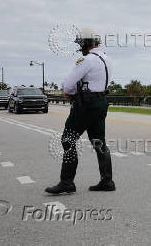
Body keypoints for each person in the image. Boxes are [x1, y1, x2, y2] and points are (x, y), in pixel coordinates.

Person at [45, 28, 115, 194]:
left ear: (86, 44)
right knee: (99, 142)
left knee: (67, 139)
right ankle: (107, 181)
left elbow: (69, 83)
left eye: (81, 44)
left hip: (85, 105)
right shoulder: (107, 58)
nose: (80, 47)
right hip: (100, 103)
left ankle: (67, 182)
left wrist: (68, 93)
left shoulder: (87, 60)